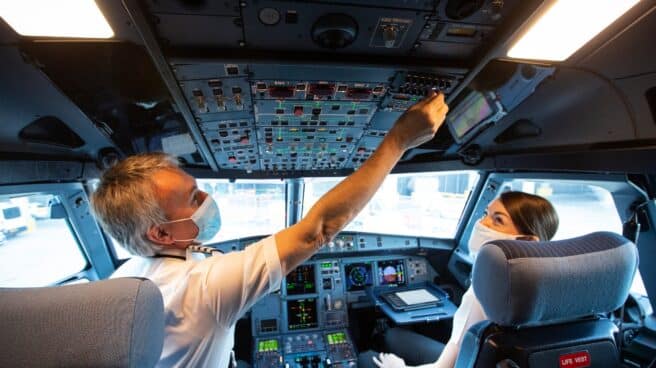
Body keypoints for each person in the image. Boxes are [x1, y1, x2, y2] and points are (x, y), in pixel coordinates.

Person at [89, 92, 448, 367]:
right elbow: (317, 231)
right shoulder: (205, 286)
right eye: (193, 197)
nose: (206, 197)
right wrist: (398, 140)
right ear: (161, 234)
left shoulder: (124, 279)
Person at [363, 191, 559, 368]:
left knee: (366, 358)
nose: (482, 224)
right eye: (485, 214)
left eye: (497, 220)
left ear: (527, 241)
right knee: (392, 335)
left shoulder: (486, 290)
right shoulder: (554, 283)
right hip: (475, 360)